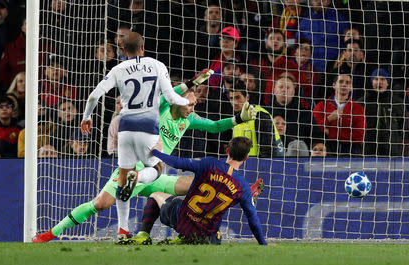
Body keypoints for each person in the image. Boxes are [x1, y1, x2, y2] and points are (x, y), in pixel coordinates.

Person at [32, 70, 259, 243]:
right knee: (100, 204)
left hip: (157, 173)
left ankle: (189, 231)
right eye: (190, 103)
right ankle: (50, 234)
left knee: (198, 185)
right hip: (134, 165)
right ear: (177, 100)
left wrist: (239, 118)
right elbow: (171, 93)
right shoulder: (158, 108)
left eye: (194, 104)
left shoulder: (188, 119)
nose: (192, 107)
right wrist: (191, 82)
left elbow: (216, 126)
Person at [81, 31, 194, 205]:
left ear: (123, 49)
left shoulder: (118, 69)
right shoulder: (157, 65)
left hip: (125, 128)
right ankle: (139, 177)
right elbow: (171, 98)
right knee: (156, 167)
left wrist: (86, 116)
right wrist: (187, 101)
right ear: (143, 47)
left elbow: (93, 96)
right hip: (148, 128)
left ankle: (122, 229)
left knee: (122, 180)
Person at [122, 136, 267, 245]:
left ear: (227, 150)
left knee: (155, 195)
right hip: (206, 235)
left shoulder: (209, 164)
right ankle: (190, 238)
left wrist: (156, 152)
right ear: (246, 157)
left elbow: (177, 162)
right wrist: (263, 244)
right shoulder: (242, 186)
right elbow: (253, 220)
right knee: (217, 233)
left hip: (182, 220)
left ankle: (143, 235)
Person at [313, 72, 365, 155]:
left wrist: (330, 133)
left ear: (351, 88)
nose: (344, 84)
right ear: (334, 85)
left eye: (347, 83)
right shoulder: (321, 106)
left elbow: (359, 137)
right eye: (341, 82)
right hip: (327, 149)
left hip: (351, 151)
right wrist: (328, 119)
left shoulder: (358, 109)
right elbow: (313, 129)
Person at [229, 80, 284, 158]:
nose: (234, 102)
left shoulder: (260, 115)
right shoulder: (236, 119)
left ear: (247, 97)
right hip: (247, 163)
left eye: (238, 97)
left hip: (265, 164)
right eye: (231, 98)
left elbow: (268, 151)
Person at [358, 68, 405, 157]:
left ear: (388, 82)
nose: (379, 82)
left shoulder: (397, 103)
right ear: (372, 82)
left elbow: (402, 126)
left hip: (392, 150)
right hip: (368, 150)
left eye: (383, 79)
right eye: (376, 79)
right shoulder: (362, 102)